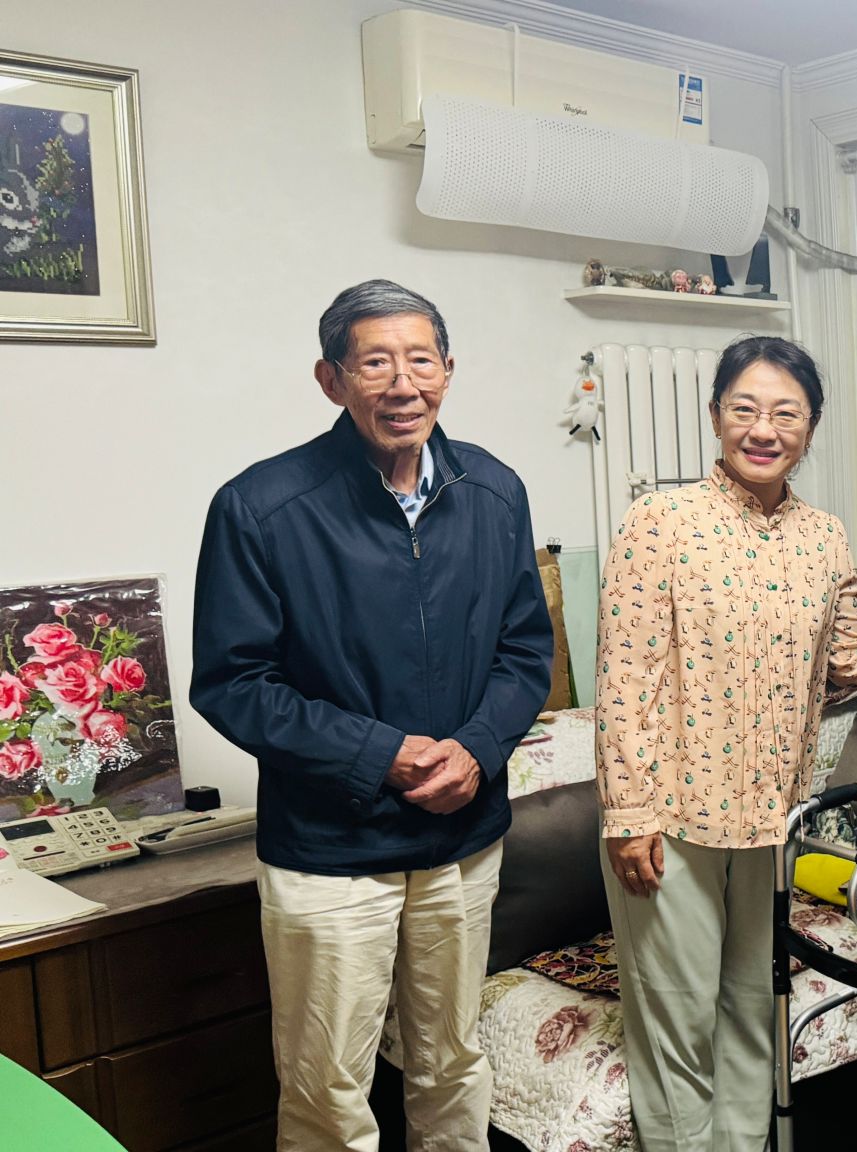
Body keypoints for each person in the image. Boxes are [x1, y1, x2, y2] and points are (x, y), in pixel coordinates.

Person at [191, 279, 554, 1150]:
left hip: (461, 838)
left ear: (448, 370)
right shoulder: (261, 506)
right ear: (331, 380)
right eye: (375, 363)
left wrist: (476, 748)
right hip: (331, 851)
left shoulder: (494, 490)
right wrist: (379, 754)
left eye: (421, 360)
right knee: (328, 1090)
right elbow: (233, 682)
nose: (403, 384)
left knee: (454, 1063)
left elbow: (524, 651)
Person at [596, 335, 857, 1152]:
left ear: (811, 426)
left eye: (786, 413)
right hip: (669, 820)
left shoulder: (825, 536)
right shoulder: (661, 522)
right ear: (716, 415)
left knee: (755, 1012)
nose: (763, 429)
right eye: (745, 408)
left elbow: (848, 663)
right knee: (678, 1027)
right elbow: (624, 676)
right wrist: (628, 814)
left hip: (771, 820)